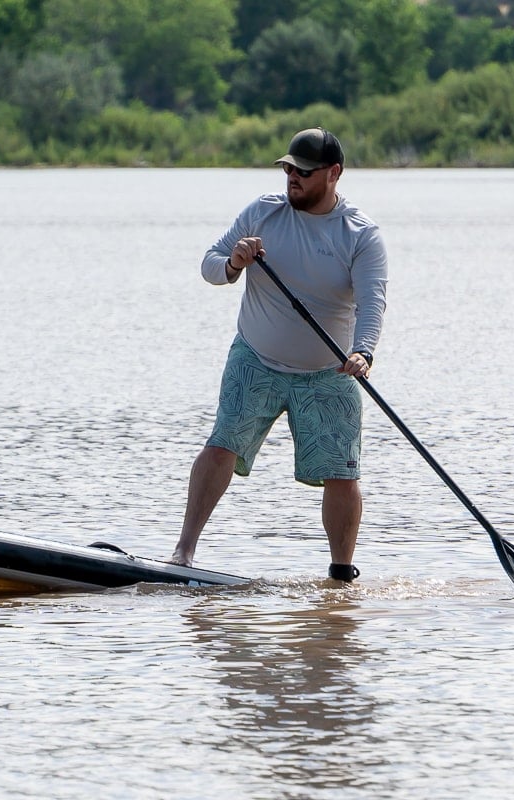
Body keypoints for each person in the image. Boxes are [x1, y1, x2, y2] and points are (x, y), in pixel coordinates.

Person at [170, 127, 388, 582]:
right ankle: (183, 552)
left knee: (343, 475)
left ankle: (341, 574)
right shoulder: (262, 214)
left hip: (330, 373)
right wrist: (234, 262)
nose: (293, 178)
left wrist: (363, 353)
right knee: (221, 445)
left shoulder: (361, 235)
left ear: (334, 174)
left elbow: (372, 303)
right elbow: (210, 265)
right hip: (255, 360)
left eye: (304, 172)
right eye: (288, 168)